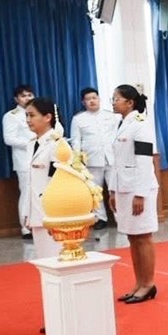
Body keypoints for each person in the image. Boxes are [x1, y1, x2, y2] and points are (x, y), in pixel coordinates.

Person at [108, 85, 159, 304]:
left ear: (130, 102)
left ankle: (148, 284)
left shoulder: (140, 124)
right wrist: (112, 189)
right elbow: (116, 162)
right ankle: (138, 283)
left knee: (143, 237)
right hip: (123, 187)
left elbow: (144, 160)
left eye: (117, 99)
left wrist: (140, 194)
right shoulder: (121, 124)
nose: (113, 102)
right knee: (132, 237)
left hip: (139, 188)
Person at [70, 87, 119, 229]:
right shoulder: (78, 119)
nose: (92, 101)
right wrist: (77, 160)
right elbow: (76, 141)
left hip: (111, 158)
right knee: (95, 192)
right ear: (83, 102)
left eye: (94, 98)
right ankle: (100, 219)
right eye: (88, 99)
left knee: (114, 189)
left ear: (99, 99)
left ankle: (119, 217)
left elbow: (117, 135)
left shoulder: (111, 116)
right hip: (91, 160)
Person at [23, 98, 64, 261]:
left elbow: (58, 184)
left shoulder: (57, 145)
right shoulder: (31, 144)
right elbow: (30, 184)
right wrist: (27, 213)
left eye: (32, 115)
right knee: (44, 262)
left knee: (56, 260)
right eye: (26, 116)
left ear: (47, 117)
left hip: (52, 215)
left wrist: (56, 217)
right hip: (37, 214)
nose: (28, 120)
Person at [3, 83, 38, 238]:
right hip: (24, 160)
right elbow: (9, 139)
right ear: (16, 99)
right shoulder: (11, 116)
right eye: (23, 96)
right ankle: (25, 227)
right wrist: (32, 144)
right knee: (26, 193)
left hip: (42, 159)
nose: (27, 98)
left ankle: (39, 223)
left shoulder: (39, 112)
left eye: (30, 95)